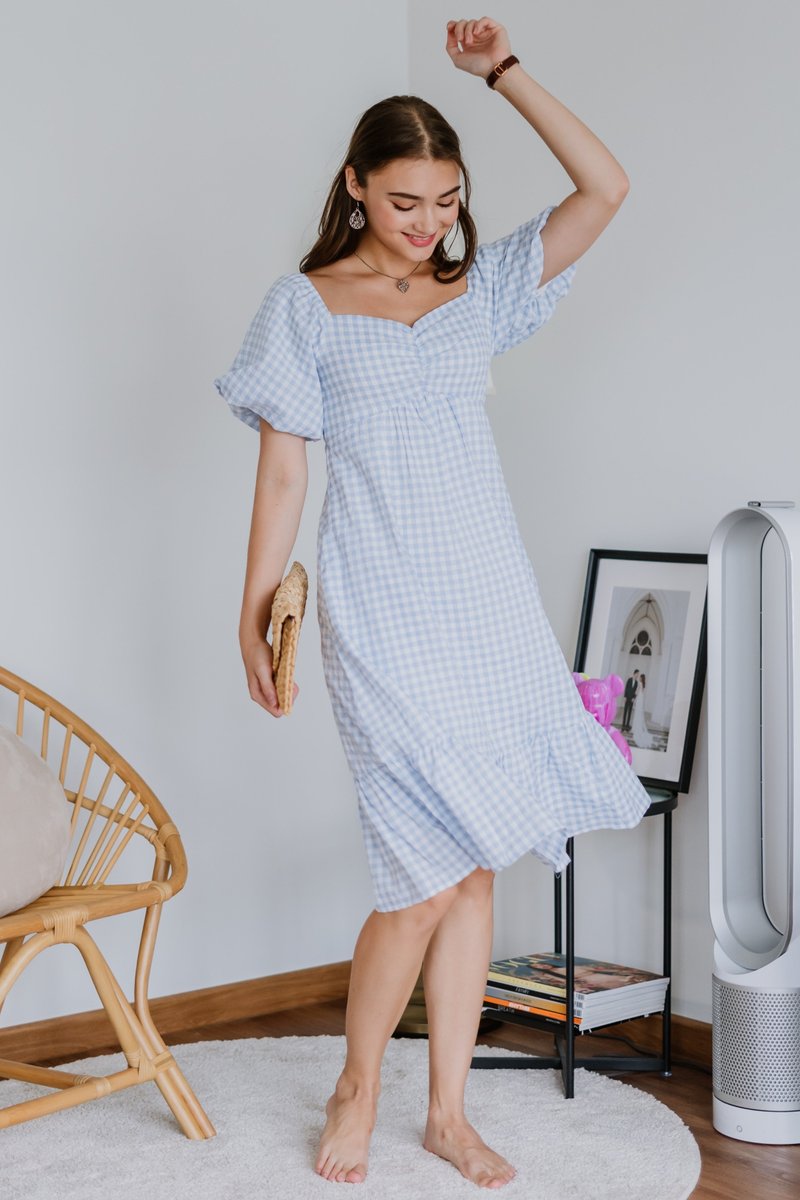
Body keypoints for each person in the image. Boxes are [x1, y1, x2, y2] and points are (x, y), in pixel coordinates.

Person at [214, 15, 652, 1190]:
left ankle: (446, 1111)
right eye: (404, 200)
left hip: (486, 606)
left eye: (446, 199)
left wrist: (500, 73)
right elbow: (286, 470)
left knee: (472, 868)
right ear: (355, 188)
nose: (428, 222)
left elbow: (604, 186)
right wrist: (254, 608)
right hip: (378, 605)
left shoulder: (481, 288)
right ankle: (360, 1082)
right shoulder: (301, 307)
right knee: (417, 871)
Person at [631, 672, 658, 749]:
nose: (639, 678)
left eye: (640, 677)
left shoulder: (639, 683)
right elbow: (642, 692)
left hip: (639, 698)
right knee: (639, 713)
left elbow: (637, 692)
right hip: (641, 698)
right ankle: (638, 726)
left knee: (637, 713)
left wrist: (634, 698)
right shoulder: (644, 684)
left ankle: (636, 728)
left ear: (641, 678)